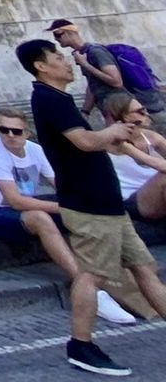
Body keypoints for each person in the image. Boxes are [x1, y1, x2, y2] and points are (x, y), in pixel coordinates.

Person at [19, 36, 166, 376]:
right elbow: (84, 142)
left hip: (106, 203)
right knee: (93, 274)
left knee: (144, 267)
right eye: (57, 57)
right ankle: (81, 345)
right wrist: (114, 132)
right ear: (41, 66)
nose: (67, 61)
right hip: (89, 204)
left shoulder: (59, 99)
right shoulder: (49, 99)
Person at [0, 105, 138, 327]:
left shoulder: (35, 150)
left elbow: (61, 184)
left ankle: (119, 274)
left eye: (16, 131)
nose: (10, 135)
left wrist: (84, 204)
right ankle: (92, 292)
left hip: (26, 210)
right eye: (3, 130)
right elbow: (15, 201)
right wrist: (66, 207)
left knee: (88, 215)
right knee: (42, 218)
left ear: (27, 132)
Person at [51, 19, 164, 120]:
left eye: (58, 34)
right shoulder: (82, 54)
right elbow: (92, 84)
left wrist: (85, 64)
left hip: (120, 107)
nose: (56, 39)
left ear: (70, 32)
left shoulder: (95, 52)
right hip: (110, 108)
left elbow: (116, 81)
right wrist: (86, 111)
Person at [101, 91, 166, 224]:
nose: (146, 114)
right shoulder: (115, 142)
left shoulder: (150, 137)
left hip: (155, 195)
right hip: (132, 202)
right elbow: (161, 166)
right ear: (122, 116)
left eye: (144, 110)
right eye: (140, 112)